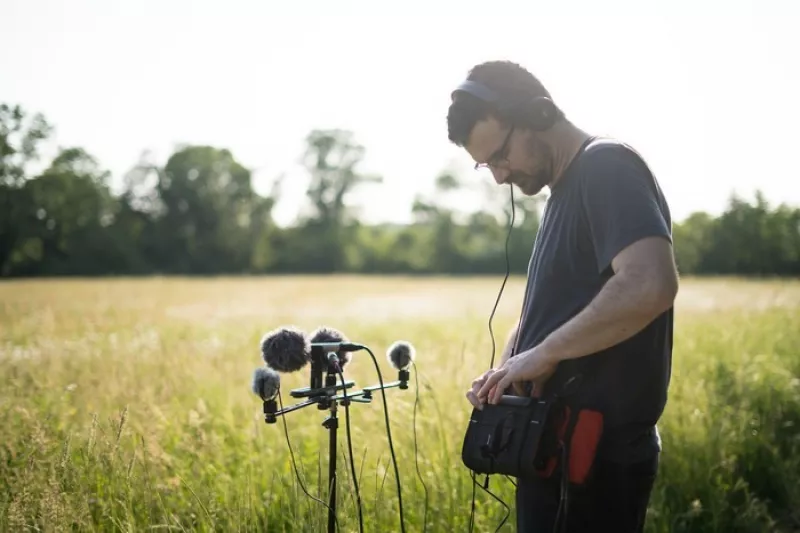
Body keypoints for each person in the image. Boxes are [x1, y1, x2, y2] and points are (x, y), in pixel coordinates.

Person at [447, 60, 679, 532]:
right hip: (555, 449)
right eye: (485, 164)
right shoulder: (564, 192)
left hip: (598, 460)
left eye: (500, 155)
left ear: (538, 114)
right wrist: (511, 363)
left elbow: (650, 283)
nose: (498, 176)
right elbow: (552, 311)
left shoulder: (607, 166)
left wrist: (547, 351)